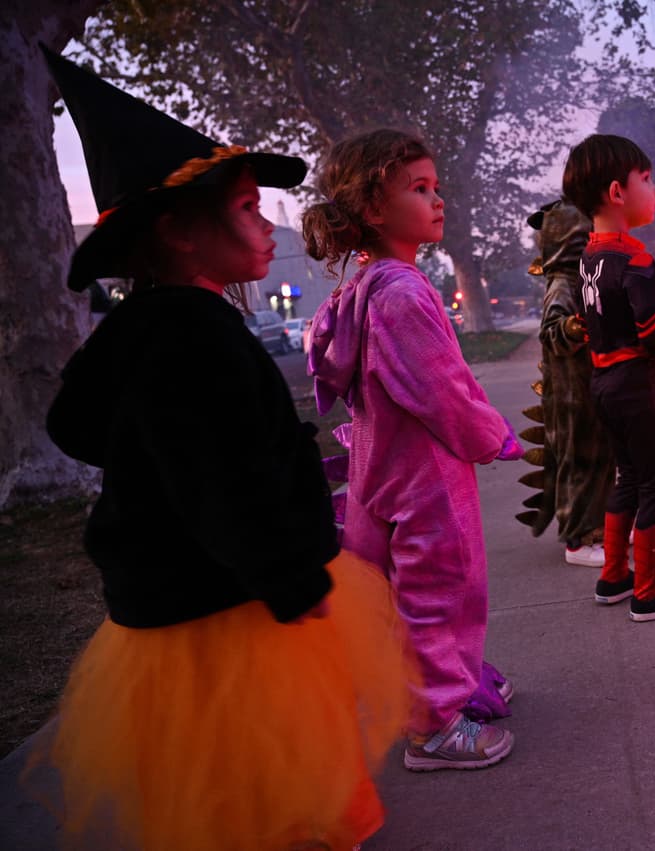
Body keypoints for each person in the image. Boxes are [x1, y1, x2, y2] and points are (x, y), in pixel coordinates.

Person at [31, 47, 411, 850]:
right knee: (258, 751)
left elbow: (80, 425)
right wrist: (287, 578)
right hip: (231, 601)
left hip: (188, 593)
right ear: (177, 232)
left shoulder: (147, 328)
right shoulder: (191, 337)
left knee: (246, 752)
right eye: (245, 208)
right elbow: (222, 481)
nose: (266, 226)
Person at [305, 128, 522, 771]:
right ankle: (433, 723)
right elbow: (440, 388)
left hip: (385, 463)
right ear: (373, 208)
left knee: (415, 588)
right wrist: (491, 435)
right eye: (420, 188)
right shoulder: (401, 293)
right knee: (440, 588)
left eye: (436, 187)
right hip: (424, 473)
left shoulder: (367, 286)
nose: (438, 200)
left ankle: (457, 678)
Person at [561, 133, 655, 622]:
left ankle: (614, 576)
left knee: (627, 477)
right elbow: (651, 333)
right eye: (647, 179)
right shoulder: (635, 258)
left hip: (602, 384)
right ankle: (649, 590)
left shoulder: (590, 257)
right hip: (636, 386)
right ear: (617, 192)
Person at [519, 199, 614, 566]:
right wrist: (573, 326)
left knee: (602, 460)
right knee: (579, 464)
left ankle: (601, 528)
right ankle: (577, 541)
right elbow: (551, 331)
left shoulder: (584, 279)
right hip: (571, 396)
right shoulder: (562, 284)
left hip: (590, 388)